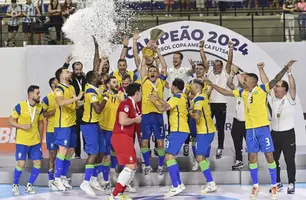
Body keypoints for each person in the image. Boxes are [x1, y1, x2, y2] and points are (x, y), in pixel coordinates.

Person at [205, 60, 295, 200]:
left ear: (253, 82)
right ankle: (256, 186)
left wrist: (285, 68)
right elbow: (226, 92)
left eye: (246, 80)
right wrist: (212, 84)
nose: (243, 81)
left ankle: (274, 186)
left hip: (263, 129)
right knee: (252, 158)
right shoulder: (243, 92)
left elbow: (275, 79)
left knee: (269, 157)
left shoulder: (262, 89)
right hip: (250, 130)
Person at [258, 61, 297, 194]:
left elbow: (293, 87)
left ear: (284, 90)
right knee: (273, 159)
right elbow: (267, 82)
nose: (275, 88)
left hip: (288, 134)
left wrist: (289, 72)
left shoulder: (290, 98)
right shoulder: (272, 98)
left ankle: (291, 183)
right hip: (274, 134)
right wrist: (261, 69)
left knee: (289, 160)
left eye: (278, 86)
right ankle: (278, 182)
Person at [148, 78, 188, 198]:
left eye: (171, 86)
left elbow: (162, 108)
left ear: (174, 87)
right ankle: (179, 184)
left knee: (169, 157)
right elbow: (165, 105)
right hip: (179, 130)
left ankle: (175, 186)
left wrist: (154, 100)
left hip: (178, 130)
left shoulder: (177, 97)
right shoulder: (181, 97)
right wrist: (158, 99)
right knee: (171, 157)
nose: (170, 88)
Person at [8, 85, 44, 195]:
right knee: (21, 163)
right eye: (37, 93)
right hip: (22, 141)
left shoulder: (40, 107)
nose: (39, 95)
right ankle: (15, 185)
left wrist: (40, 139)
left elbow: (41, 123)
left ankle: (30, 185)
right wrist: (22, 126)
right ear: (31, 94)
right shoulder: (20, 106)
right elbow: (10, 121)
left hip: (35, 141)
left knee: (37, 163)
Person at [200, 40, 233, 159]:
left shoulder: (225, 73)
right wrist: (201, 48)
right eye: (215, 65)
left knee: (220, 128)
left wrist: (230, 49)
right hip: (209, 104)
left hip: (221, 105)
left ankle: (220, 148)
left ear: (222, 67)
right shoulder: (209, 72)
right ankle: (206, 147)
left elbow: (229, 62)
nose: (217, 67)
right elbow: (204, 61)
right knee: (207, 127)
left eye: (219, 66)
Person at [109, 83, 142, 200]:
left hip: (127, 137)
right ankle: (114, 195)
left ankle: (120, 193)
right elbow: (123, 121)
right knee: (130, 165)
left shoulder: (134, 105)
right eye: (141, 93)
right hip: (121, 136)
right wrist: (135, 120)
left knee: (133, 166)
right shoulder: (125, 103)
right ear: (137, 93)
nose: (141, 95)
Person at [53, 67, 83, 191]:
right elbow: (61, 103)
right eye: (66, 72)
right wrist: (76, 98)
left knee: (70, 151)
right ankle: (57, 179)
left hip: (72, 123)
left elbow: (75, 105)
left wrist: (85, 100)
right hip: (62, 124)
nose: (69, 72)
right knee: (63, 150)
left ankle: (63, 176)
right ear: (61, 76)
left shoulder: (71, 88)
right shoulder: (58, 89)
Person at [139, 57, 167, 177]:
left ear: (157, 73)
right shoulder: (144, 80)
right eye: (150, 71)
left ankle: (160, 165)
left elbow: (164, 67)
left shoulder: (161, 81)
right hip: (145, 117)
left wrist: (159, 53)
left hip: (158, 117)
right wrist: (147, 52)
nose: (152, 73)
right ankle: (147, 165)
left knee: (160, 143)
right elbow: (142, 65)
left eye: (154, 71)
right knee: (144, 143)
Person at [80, 71, 107, 196]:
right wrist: (106, 98)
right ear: (92, 79)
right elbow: (98, 109)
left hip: (96, 124)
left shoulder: (94, 88)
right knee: (93, 153)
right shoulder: (90, 92)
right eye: (97, 76)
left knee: (102, 151)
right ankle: (85, 182)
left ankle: (94, 179)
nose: (99, 77)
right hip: (89, 125)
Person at [189, 79, 217, 193]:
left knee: (199, 157)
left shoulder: (199, 99)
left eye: (191, 86)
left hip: (204, 132)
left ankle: (211, 183)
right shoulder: (201, 96)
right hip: (206, 130)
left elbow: (197, 116)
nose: (189, 87)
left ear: (196, 87)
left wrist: (189, 112)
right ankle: (209, 182)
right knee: (202, 158)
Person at [99, 76, 125, 194]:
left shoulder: (121, 95)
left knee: (117, 154)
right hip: (105, 129)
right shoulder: (103, 95)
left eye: (117, 82)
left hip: (117, 129)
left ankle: (114, 177)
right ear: (108, 85)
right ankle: (105, 181)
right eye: (114, 82)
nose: (116, 84)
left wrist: (122, 100)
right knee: (106, 156)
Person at [185, 63, 211, 171]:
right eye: (197, 69)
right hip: (193, 113)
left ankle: (205, 158)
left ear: (205, 70)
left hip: (204, 114)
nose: (198, 70)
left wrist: (193, 95)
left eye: (201, 68)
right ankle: (196, 159)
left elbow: (206, 95)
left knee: (205, 138)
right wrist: (194, 95)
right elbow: (186, 94)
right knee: (194, 138)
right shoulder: (190, 82)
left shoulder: (207, 83)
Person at [63, 60, 87, 159]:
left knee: (86, 131)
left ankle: (88, 151)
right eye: (76, 70)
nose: (78, 71)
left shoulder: (85, 78)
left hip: (85, 109)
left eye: (80, 69)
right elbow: (61, 73)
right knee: (76, 132)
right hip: (75, 109)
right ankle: (77, 154)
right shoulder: (71, 80)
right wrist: (66, 63)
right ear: (73, 70)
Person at [226, 68, 246, 170]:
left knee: (251, 143)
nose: (241, 79)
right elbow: (229, 83)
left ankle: (253, 161)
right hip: (237, 120)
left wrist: (238, 72)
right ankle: (239, 160)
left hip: (248, 121)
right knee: (237, 141)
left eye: (243, 77)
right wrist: (232, 74)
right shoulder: (237, 89)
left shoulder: (248, 89)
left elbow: (243, 84)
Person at [41, 77, 59, 190]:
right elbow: (44, 114)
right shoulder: (47, 98)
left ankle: (59, 178)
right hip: (51, 130)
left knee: (63, 154)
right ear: (53, 85)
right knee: (52, 155)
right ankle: (51, 179)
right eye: (57, 82)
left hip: (62, 128)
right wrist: (56, 111)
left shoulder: (63, 95)